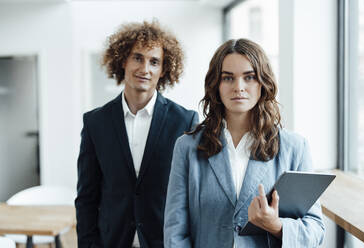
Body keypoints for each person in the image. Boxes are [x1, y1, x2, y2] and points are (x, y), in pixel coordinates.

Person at [164, 39, 324, 247]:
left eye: (249, 77)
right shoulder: (187, 147)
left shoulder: (295, 148)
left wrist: (275, 225)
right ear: (216, 85)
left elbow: (315, 230)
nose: (239, 87)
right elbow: (175, 231)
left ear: (263, 83)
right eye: (228, 78)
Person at [75, 20, 199, 248]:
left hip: (165, 242)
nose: (145, 69)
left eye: (154, 62)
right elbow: (86, 197)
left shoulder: (185, 121)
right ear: (123, 60)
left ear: (163, 70)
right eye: (137, 58)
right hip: (110, 241)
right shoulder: (95, 122)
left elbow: (192, 197)